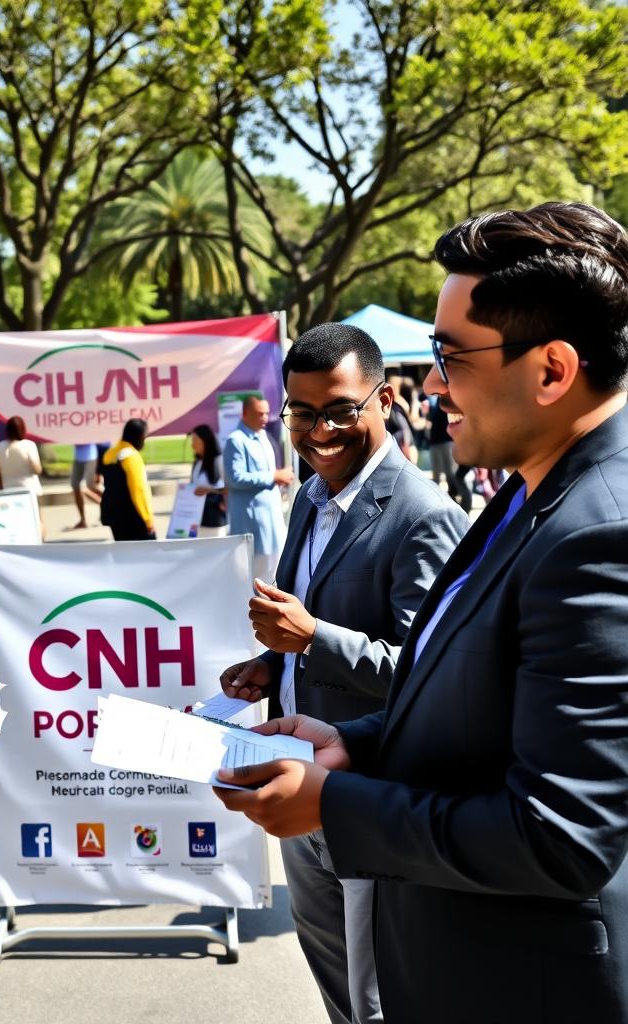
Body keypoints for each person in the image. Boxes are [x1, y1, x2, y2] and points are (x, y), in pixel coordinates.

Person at [215, 202, 628, 1023]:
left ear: (551, 369)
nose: (433, 386)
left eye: (450, 356)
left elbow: (562, 835)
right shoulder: (532, 494)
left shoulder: (600, 529)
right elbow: (473, 696)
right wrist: (350, 743)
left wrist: (332, 804)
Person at [219, 323, 468, 1024]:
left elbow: (436, 678)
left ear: (383, 400)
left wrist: (313, 638)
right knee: (335, 981)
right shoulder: (308, 496)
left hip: (367, 793)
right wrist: (268, 664)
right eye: (302, 413)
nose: (319, 430)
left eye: (340, 410)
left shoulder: (422, 516)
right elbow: (308, 623)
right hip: (302, 788)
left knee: (376, 996)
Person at [223, 394, 294, 580]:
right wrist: (273, 476)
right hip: (253, 522)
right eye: (259, 414)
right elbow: (234, 478)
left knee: (274, 573)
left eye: (267, 413)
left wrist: (279, 476)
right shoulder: (236, 440)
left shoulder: (262, 436)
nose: (265, 418)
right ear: (245, 413)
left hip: (272, 519)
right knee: (256, 578)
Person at [100, 418, 154, 541]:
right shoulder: (131, 456)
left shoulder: (110, 454)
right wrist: (147, 518)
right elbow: (138, 489)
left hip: (114, 516)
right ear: (140, 436)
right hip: (132, 517)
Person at [0, 415, 44, 538]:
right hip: (30, 489)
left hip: (9, 491)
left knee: (14, 524)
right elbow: (37, 469)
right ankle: (40, 544)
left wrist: (1, 490)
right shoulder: (28, 445)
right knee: (37, 520)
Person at [426, 393, 472, 510]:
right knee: (437, 475)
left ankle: (456, 500)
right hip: (435, 443)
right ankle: (435, 505)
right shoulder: (436, 403)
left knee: (451, 474)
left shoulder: (449, 400)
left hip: (446, 442)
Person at [188, 424, 227, 537]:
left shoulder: (219, 461)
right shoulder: (197, 463)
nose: (192, 445)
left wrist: (209, 491)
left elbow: (229, 488)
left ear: (205, 440)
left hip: (214, 520)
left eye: (195, 440)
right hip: (196, 519)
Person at [67, 443, 103, 530]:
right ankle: (83, 520)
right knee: (75, 485)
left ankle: (112, 504)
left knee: (91, 486)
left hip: (91, 456)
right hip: (78, 457)